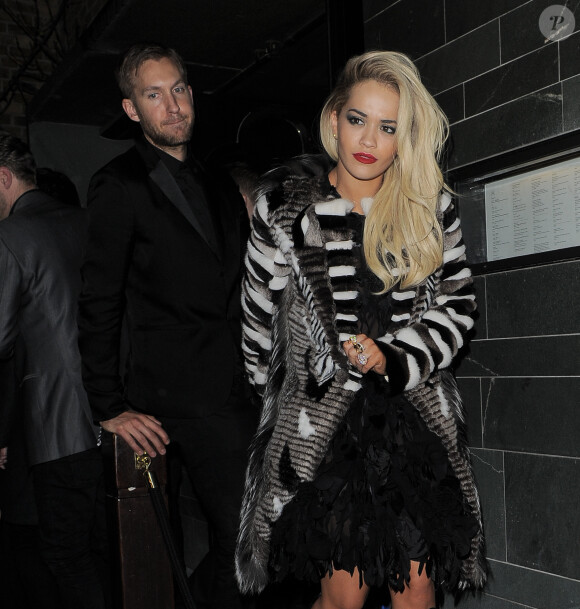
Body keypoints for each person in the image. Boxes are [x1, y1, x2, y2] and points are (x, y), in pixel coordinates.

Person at [235, 51, 487, 609]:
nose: (368, 138)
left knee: (418, 588)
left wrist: (395, 357)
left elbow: (458, 306)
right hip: (325, 427)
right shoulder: (282, 206)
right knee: (345, 595)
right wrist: (275, 398)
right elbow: (257, 317)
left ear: (405, 137)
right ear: (333, 121)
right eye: (358, 119)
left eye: (388, 126)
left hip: (411, 416)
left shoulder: (428, 205)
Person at [78, 43, 255, 609]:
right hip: (163, 397)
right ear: (132, 109)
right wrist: (107, 404)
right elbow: (98, 300)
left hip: (232, 390)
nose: (172, 105)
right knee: (188, 547)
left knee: (247, 543)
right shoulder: (118, 184)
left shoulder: (220, 183)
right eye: (154, 95)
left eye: (179, 89)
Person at [0, 132, 108, 609]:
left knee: (64, 555)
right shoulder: (89, 221)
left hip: (56, 426)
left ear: (2, 178)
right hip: (112, 416)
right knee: (107, 551)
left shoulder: (11, 235)